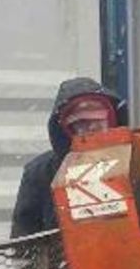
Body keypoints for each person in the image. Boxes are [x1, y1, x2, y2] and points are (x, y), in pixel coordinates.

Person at [11, 77, 123, 238]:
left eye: (98, 120)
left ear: (113, 119)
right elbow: (24, 241)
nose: (91, 129)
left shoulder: (139, 158)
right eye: (81, 123)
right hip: (64, 262)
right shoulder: (40, 173)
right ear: (64, 129)